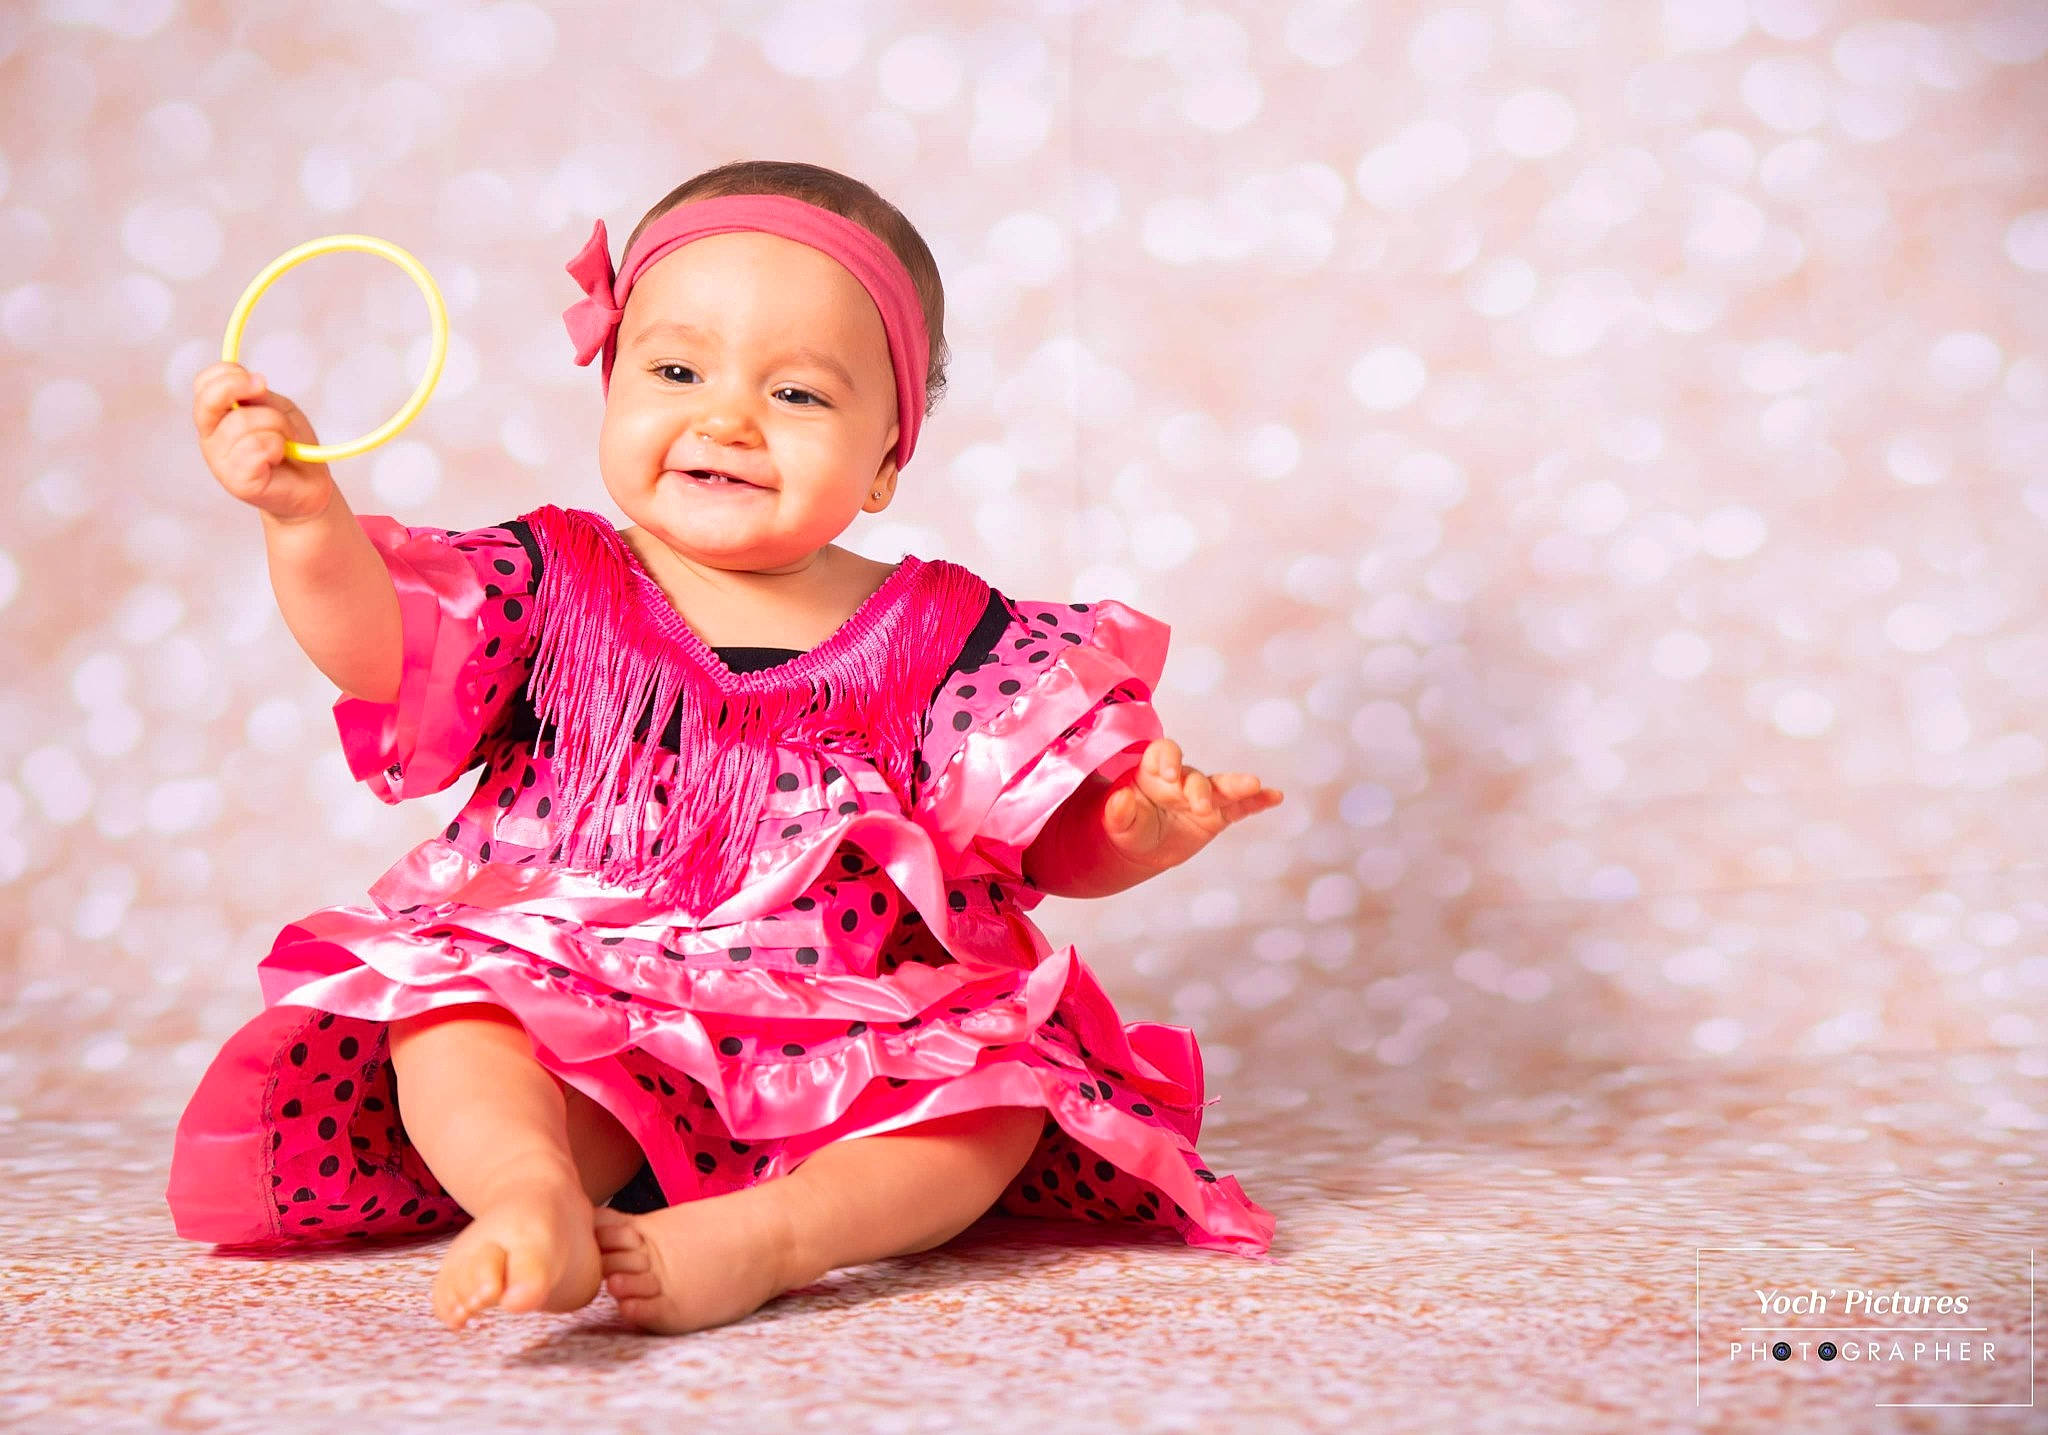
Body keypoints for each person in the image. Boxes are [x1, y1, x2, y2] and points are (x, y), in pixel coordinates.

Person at [171, 159, 1285, 1337]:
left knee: (1000, 1094)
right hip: (580, 1002)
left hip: (843, 1031)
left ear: (885, 459)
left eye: (796, 394)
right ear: (611, 387)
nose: (725, 419)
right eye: (675, 371)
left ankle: (772, 1235)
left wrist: (1126, 833)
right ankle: (530, 1193)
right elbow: (383, 651)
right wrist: (307, 522)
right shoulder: (556, 578)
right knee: (451, 1009)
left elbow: (1031, 840)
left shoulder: (943, 629)